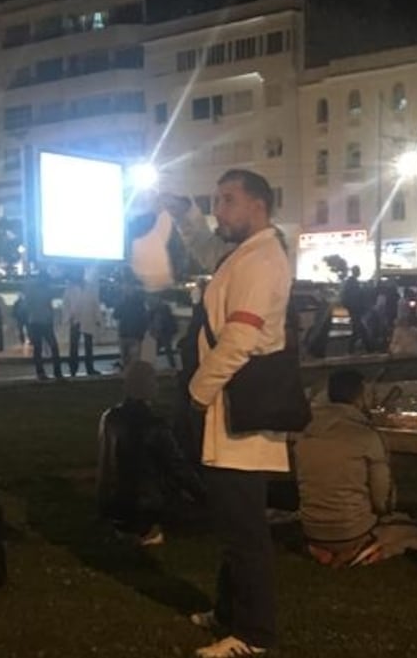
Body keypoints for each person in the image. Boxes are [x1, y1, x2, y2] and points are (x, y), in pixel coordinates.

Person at [165, 170, 293, 657]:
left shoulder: (261, 260)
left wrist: (196, 395)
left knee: (245, 533)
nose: (219, 209)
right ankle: (228, 614)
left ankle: (255, 635)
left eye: (227, 200)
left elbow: (239, 339)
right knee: (234, 523)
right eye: (216, 199)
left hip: (236, 410)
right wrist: (184, 213)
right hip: (229, 408)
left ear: (257, 205)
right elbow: (206, 250)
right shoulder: (247, 253)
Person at [293, 370, 417, 567]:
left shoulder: (306, 432)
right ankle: (360, 553)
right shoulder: (366, 436)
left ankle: (321, 550)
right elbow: (381, 497)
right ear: (360, 397)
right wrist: (386, 510)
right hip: (352, 529)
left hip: (311, 528)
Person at [98, 361, 204, 546]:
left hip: (112, 503)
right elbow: (178, 468)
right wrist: (205, 494)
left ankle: (125, 527)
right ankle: (147, 530)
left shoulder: (109, 418)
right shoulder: (154, 425)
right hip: (145, 505)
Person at [23, 271, 63, 381]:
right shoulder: (46, 290)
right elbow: (48, 306)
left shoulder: (32, 289)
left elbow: (27, 306)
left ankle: (41, 372)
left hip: (35, 322)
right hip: (43, 321)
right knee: (52, 347)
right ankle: (57, 372)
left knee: (38, 348)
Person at [64, 275, 102, 376]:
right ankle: (73, 368)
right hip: (75, 320)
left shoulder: (90, 288)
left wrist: (98, 318)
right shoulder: (70, 289)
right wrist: (68, 318)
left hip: (87, 319)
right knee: (74, 346)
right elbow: (66, 304)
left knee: (88, 346)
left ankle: (90, 368)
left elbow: (95, 304)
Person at [114, 286, 149, 368]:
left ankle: (127, 376)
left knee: (125, 359)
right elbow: (144, 320)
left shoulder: (123, 303)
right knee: (134, 361)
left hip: (124, 334)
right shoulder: (140, 304)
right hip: (135, 335)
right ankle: (133, 377)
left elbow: (115, 315)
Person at [148, 297, 179, 369]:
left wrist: (152, 330)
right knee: (168, 350)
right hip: (165, 332)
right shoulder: (165, 308)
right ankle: (173, 366)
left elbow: (151, 320)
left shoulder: (154, 309)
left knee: (156, 350)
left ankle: (150, 366)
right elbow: (170, 320)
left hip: (161, 332)